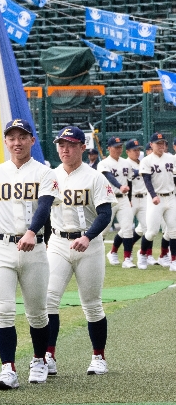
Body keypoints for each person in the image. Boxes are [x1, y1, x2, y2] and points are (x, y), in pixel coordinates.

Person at [0, 118, 58, 388]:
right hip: (2, 247)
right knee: (2, 310)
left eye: (22, 137)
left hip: (34, 247)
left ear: (32, 140)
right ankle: (8, 368)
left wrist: (33, 231)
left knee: (37, 312)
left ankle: (39, 359)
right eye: (12, 137)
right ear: (5, 141)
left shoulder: (44, 172)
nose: (17, 142)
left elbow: (45, 207)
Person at [45, 126, 115, 375]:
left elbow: (105, 213)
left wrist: (88, 236)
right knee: (49, 300)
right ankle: (48, 356)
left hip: (89, 244)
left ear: (82, 148)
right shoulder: (50, 176)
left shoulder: (95, 177)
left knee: (92, 304)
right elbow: (43, 212)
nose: (65, 149)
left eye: (71, 144)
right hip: (58, 242)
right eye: (61, 144)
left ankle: (98, 356)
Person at [138, 132, 176, 272]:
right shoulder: (147, 160)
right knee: (152, 231)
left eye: (163, 143)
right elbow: (147, 180)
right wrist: (153, 195)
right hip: (156, 198)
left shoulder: (171, 158)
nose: (161, 145)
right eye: (158, 143)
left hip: (171, 196)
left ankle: (173, 260)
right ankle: (142, 254)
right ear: (151, 145)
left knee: (174, 230)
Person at [99, 136, 134, 267]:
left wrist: (130, 199)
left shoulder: (126, 163)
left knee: (127, 229)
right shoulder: (103, 163)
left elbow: (130, 181)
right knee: (103, 231)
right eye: (116, 147)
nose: (119, 149)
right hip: (108, 199)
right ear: (109, 148)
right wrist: (120, 186)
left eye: (120, 146)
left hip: (123, 199)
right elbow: (108, 177)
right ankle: (96, 257)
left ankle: (127, 259)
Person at [122, 139, 145, 268]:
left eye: (138, 149)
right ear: (128, 151)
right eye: (134, 150)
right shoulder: (125, 163)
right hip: (131, 199)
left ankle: (145, 254)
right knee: (126, 230)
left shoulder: (142, 163)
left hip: (144, 198)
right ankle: (114, 252)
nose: (137, 152)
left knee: (147, 229)